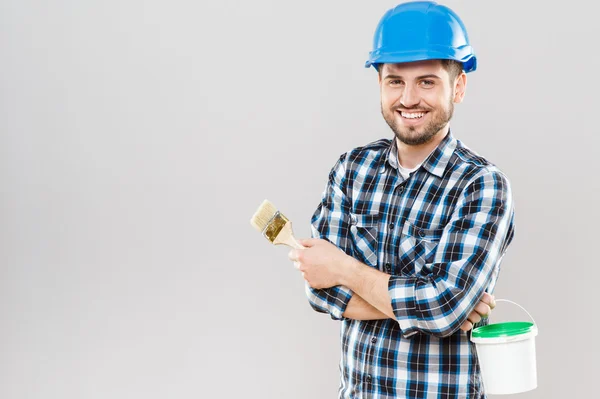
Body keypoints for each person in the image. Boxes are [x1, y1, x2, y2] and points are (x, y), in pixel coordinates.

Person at [287, 1, 515, 398]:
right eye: (395, 81)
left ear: (458, 87)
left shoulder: (482, 185)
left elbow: (443, 306)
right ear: (379, 84)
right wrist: (441, 308)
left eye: (427, 81)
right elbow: (319, 290)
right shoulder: (351, 170)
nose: (409, 98)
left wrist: (344, 268)